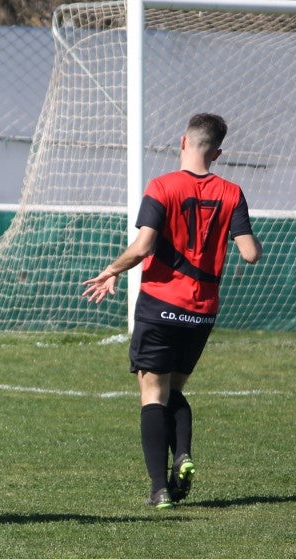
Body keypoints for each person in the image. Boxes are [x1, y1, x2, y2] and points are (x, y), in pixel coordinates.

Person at [81, 113, 262, 509]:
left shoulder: (162, 186)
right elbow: (250, 253)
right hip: (202, 311)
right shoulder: (232, 192)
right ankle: (182, 454)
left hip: (161, 304)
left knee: (152, 395)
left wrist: (111, 270)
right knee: (175, 390)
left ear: (183, 141)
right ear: (217, 152)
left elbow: (144, 245)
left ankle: (159, 488)